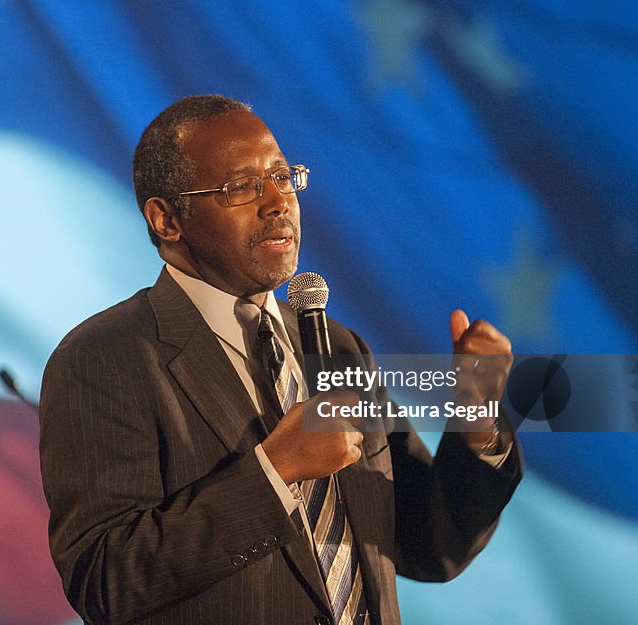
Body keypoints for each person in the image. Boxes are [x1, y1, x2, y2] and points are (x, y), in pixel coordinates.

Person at [39, 95, 521, 625]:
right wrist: (276, 470)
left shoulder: (339, 348)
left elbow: (430, 546)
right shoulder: (104, 358)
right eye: (242, 186)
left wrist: (477, 423)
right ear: (167, 219)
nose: (277, 203)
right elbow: (105, 580)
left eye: (284, 177)